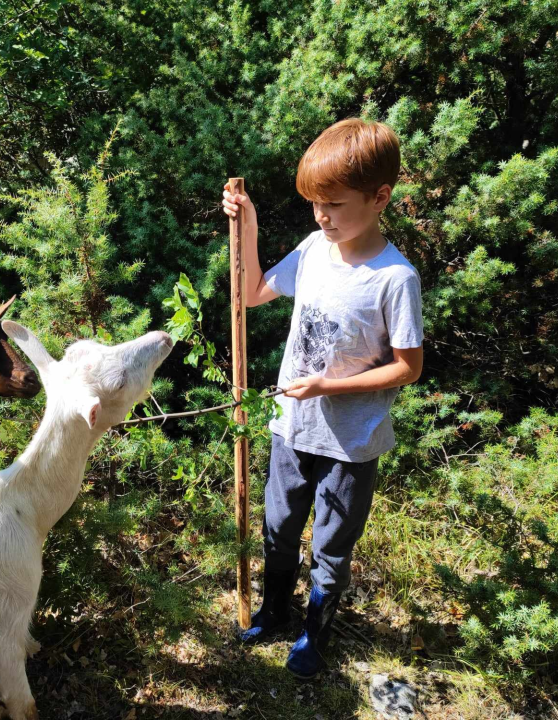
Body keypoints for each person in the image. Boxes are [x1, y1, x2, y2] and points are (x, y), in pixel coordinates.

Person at [221, 118, 424, 679]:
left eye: (333, 204)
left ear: (380, 197)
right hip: (292, 429)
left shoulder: (394, 279)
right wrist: (250, 224)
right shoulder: (314, 248)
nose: (321, 216)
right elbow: (253, 292)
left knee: (331, 548)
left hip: (350, 446)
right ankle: (273, 612)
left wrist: (327, 386)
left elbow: (408, 367)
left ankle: (315, 634)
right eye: (314, 203)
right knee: (279, 529)